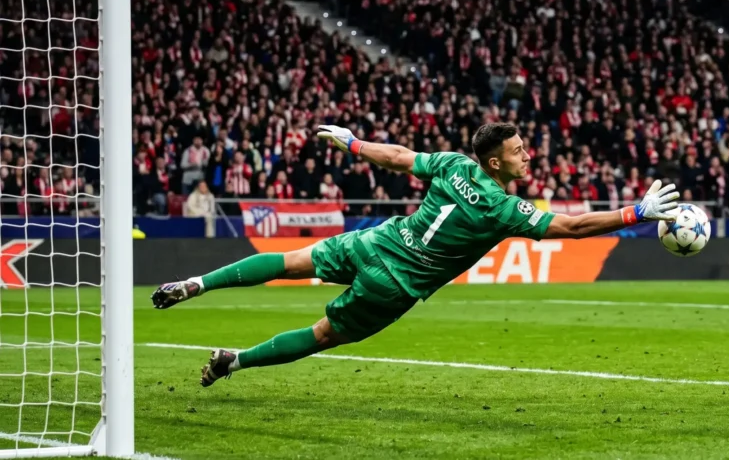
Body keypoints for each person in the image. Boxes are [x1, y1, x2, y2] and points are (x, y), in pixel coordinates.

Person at [152, 123, 681, 387]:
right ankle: (234, 361)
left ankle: (196, 283)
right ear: (495, 161)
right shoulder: (504, 208)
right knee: (322, 336)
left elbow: (401, 157)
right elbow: (572, 224)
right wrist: (636, 213)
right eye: (519, 150)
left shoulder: (452, 163)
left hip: (376, 241)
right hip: (395, 284)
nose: (528, 155)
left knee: (290, 261)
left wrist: (354, 144)